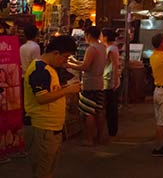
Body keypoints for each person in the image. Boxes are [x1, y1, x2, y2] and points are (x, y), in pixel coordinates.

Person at [24, 35, 81, 178]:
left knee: (47, 169)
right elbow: (42, 98)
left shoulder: (48, 69)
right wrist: (68, 90)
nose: (65, 62)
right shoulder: (39, 69)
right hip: (42, 128)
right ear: (55, 53)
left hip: (51, 128)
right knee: (42, 170)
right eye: (65, 57)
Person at [67, 26, 107, 146]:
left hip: (89, 83)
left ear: (88, 35)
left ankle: (89, 139)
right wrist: (73, 61)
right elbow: (88, 64)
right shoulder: (102, 47)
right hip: (99, 82)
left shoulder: (91, 49)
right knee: (99, 110)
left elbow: (86, 67)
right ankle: (100, 137)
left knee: (88, 112)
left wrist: (68, 65)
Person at [101, 29, 121, 137]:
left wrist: (115, 81)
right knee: (110, 106)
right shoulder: (110, 48)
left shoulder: (111, 49)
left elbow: (114, 65)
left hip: (109, 80)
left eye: (102, 35)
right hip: (108, 79)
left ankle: (112, 130)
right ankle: (111, 130)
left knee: (111, 107)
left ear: (106, 37)